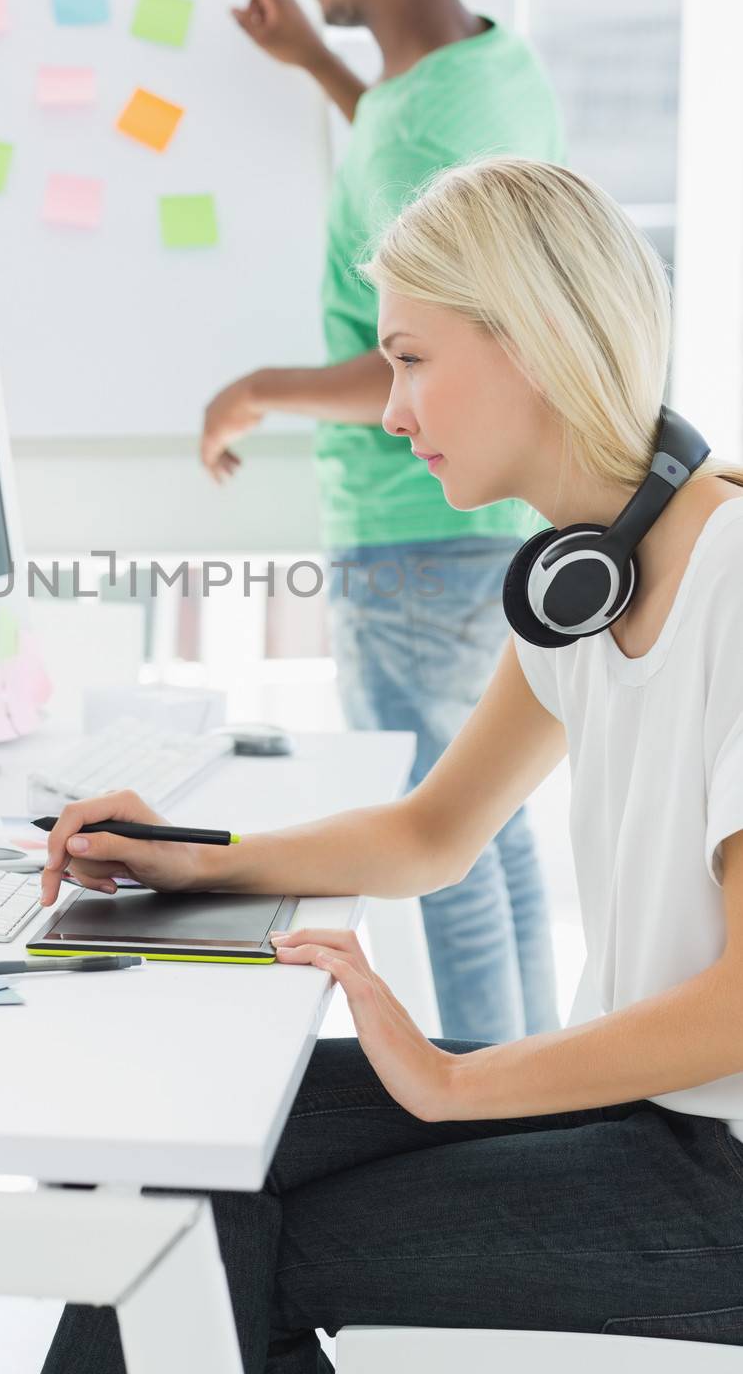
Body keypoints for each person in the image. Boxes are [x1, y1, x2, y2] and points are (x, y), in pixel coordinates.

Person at [42, 158, 743, 1368]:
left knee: (193, 1254)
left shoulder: (731, 579)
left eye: (411, 360)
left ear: (530, 342)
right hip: (640, 1106)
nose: (390, 409)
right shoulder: (581, 582)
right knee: (145, 1143)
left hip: (717, 1173)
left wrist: (451, 1083)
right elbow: (433, 834)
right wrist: (197, 860)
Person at [202, 0, 564, 1044]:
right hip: (489, 519)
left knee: (436, 850)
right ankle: (529, 1078)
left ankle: (488, 1113)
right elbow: (413, 163)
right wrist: (313, 61)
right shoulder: (485, 73)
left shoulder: (418, 122)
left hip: (410, 527)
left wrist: (260, 389)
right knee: (490, 831)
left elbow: (431, 354)